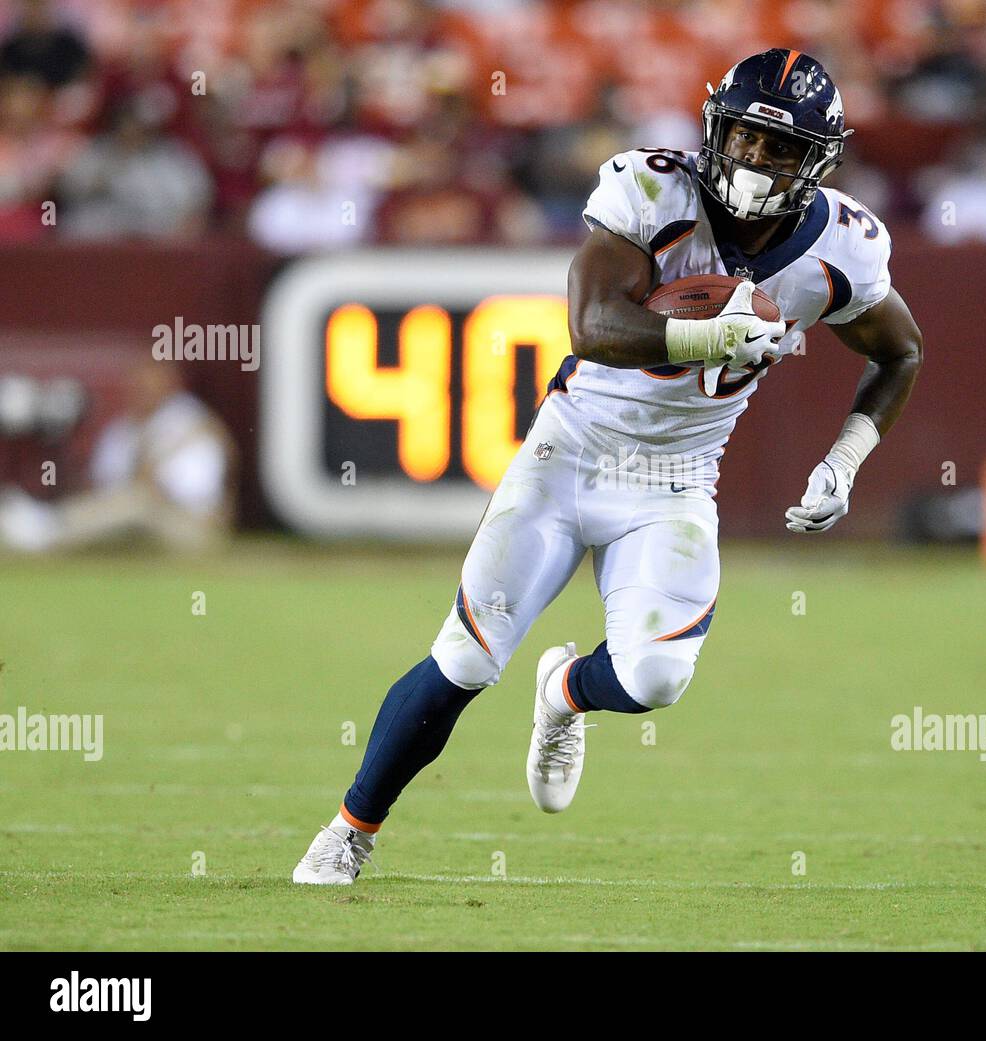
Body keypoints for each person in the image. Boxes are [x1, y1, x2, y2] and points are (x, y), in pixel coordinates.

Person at [293, 48, 923, 885]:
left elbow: (901, 352)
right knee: (469, 656)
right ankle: (349, 829)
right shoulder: (651, 186)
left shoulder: (843, 244)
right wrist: (706, 335)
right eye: (740, 137)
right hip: (572, 451)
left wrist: (847, 456)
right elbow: (591, 324)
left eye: (778, 149)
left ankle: (566, 694)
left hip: (678, 474)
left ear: (819, 159)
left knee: (658, 676)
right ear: (713, 128)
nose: (752, 160)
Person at [0, 361, 235, 553]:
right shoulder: (122, 429)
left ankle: (45, 530)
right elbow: (103, 487)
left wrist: (144, 482)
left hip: (192, 528)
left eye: (151, 383)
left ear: (169, 385)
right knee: (129, 507)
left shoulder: (191, 425)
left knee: (137, 501)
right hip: (132, 527)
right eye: (138, 383)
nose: (143, 390)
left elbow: (188, 491)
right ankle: (48, 526)